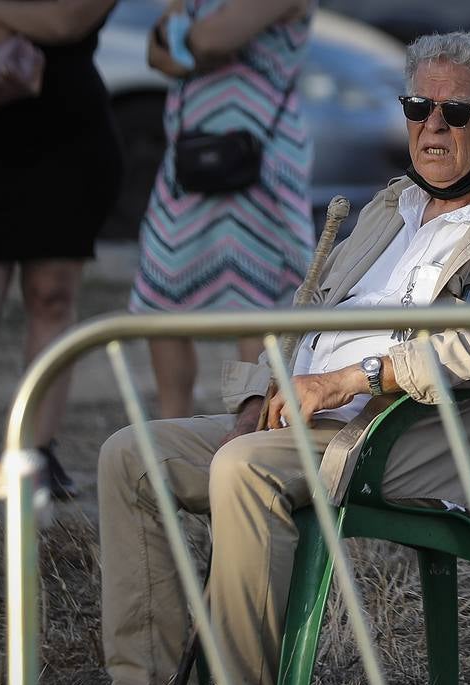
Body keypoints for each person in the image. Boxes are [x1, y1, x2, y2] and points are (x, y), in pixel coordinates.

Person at [98, 32, 470, 685]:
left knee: (243, 469)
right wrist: (254, 394)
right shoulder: (388, 204)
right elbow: (308, 317)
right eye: (417, 106)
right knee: (131, 453)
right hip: (310, 421)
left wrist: (356, 378)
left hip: (418, 438)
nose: (431, 126)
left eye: (455, 112)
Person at [0, 0, 124, 497]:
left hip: (68, 136)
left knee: (51, 295)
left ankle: (31, 457)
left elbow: (66, 23)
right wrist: (26, 22)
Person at [131, 0, 316, 419]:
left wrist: (182, 36)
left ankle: (249, 430)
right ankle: (172, 431)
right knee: (163, 291)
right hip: (191, 157)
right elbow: (157, 56)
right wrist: (184, 41)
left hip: (262, 158)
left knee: (258, 300)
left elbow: (213, 40)